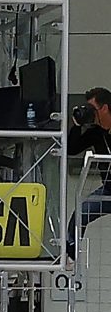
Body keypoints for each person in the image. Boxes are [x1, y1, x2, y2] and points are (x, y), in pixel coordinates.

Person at [67, 87, 111, 260]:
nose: (90, 113)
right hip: (109, 189)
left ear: (105, 108)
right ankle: (70, 257)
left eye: (93, 109)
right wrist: (77, 124)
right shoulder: (96, 132)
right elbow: (72, 149)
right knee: (81, 212)